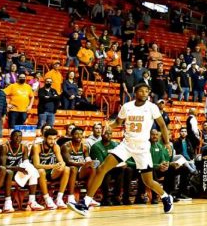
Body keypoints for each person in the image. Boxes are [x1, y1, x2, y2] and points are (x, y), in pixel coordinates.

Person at [68, 82, 174, 216]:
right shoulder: (127, 106)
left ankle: (165, 196)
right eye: (141, 91)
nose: (144, 93)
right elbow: (118, 122)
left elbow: (163, 126)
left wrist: (167, 143)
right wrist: (109, 126)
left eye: (146, 91)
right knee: (102, 169)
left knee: (147, 181)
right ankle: (85, 203)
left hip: (142, 148)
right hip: (126, 145)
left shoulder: (152, 107)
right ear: (135, 92)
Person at [0, 129, 44, 212]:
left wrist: (28, 168)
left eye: (20, 136)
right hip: (4, 172)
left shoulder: (24, 147)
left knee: (32, 171)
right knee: (9, 172)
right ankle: (8, 202)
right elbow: (2, 166)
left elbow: (25, 162)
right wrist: (17, 168)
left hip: (17, 171)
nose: (18, 138)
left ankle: (32, 201)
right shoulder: (4, 147)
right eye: (15, 136)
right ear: (10, 138)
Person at [32, 127, 70, 209]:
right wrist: (53, 166)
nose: (52, 141)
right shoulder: (37, 146)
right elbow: (36, 165)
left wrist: (61, 166)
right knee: (41, 171)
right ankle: (47, 199)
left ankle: (59, 198)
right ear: (44, 138)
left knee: (66, 169)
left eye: (54, 139)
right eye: (50, 139)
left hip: (50, 172)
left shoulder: (56, 147)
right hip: (37, 173)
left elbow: (62, 162)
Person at [62, 126, 96, 205]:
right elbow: (68, 161)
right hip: (69, 171)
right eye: (76, 134)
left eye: (81, 134)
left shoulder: (85, 146)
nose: (79, 136)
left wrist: (89, 162)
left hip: (80, 170)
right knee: (74, 168)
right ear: (72, 135)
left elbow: (87, 158)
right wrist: (80, 163)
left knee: (92, 169)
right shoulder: (66, 146)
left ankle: (89, 197)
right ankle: (70, 197)